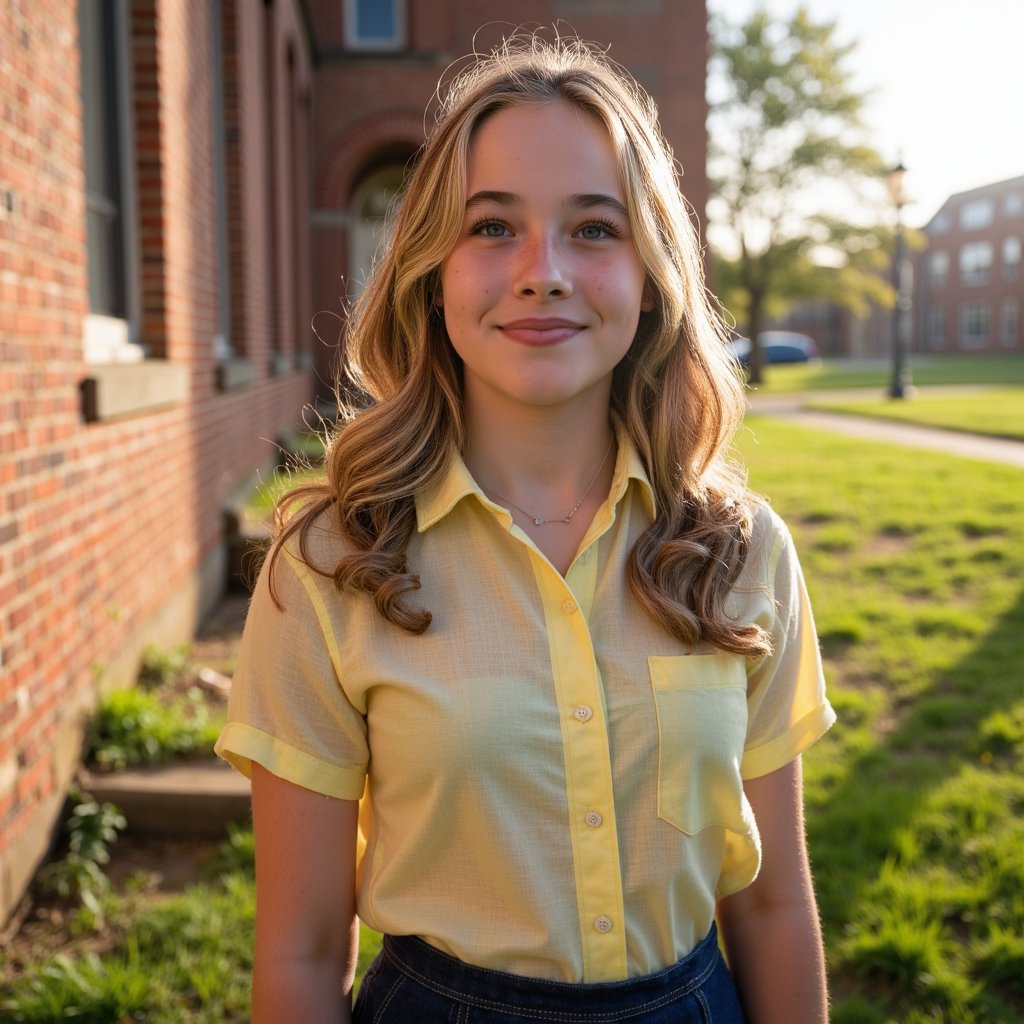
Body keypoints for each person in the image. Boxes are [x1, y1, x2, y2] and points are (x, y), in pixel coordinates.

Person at [216, 32, 836, 1024]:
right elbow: (296, 952)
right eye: (492, 226)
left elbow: (768, 905)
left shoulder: (739, 552)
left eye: (593, 228)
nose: (542, 271)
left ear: (651, 272)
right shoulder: (334, 561)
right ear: (430, 268)